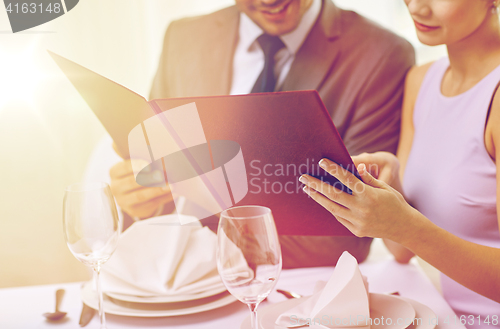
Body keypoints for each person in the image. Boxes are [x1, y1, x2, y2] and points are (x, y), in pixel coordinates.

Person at [109, 0, 415, 268]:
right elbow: (163, 178)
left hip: (302, 290)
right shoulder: (183, 37)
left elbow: (345, 233)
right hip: (188, 289)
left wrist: (197, 246)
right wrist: (139, 201)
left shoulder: (381, 55)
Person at [300, 0, 500, 324]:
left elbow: (412, 234)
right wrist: (389, 191)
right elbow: (402, 251)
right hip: (441, 314)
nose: (417, 7)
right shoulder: (422, 81)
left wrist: (405, 224)